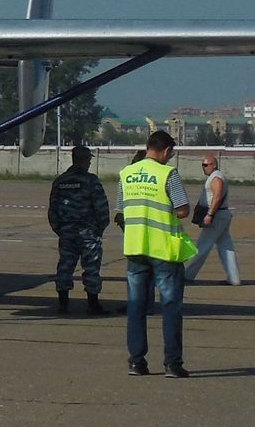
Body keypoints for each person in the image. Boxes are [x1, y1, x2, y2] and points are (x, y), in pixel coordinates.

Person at [120, 130, 192, 377]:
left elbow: (121, 211)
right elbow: (183, 210)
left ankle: (136, 362)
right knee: (170, 306)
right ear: (167, 151)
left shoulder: (126, 174)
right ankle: (172, 363)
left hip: (135, 248)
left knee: (136, 306)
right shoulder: (168, 174)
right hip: (162, 249)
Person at [46, 143, 111, 314]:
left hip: (67, 232)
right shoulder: (90, 181)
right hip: (88, 232)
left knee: (65, 266)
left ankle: (63, 303)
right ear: (84, 160)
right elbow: (102, 207)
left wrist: (59, 229)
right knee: (91, 267)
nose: (89, 163)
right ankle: (93, 304)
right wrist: (100, 228)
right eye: (88, 160)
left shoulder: (60, 181)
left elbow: (52, 209)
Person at [186, 152, 241, 286]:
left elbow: (217, 197)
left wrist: (209, 215)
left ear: (214, 165)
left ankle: (187, 276)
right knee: (226, 247)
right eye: (202, 165)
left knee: (202, 246)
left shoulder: (216, 178)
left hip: (217, 216)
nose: (204, 167)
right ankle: (234, 278)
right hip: (221, 215)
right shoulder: (214, 176)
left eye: (206, 165)